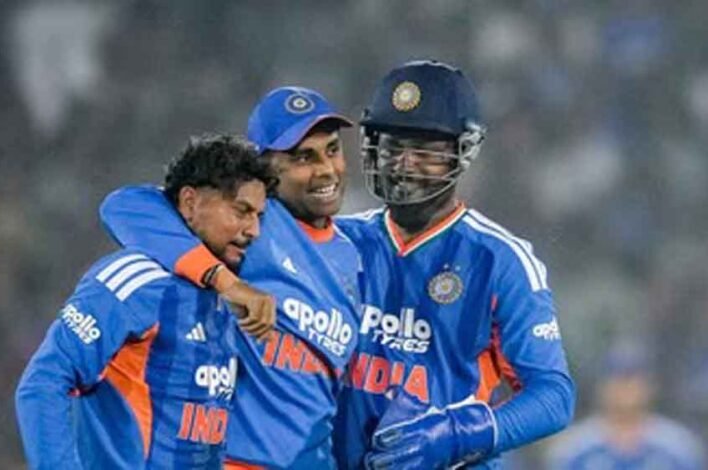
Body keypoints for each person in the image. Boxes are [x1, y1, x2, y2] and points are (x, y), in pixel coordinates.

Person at [100, 60, 576, 469]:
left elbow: (554, 396)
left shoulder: (501, 260)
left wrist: (457, 433)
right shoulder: (335, 241)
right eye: (392, 147)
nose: (405, 164)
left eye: (426, 152)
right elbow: (132, 207)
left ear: (462, 152)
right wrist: (223, 281)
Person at [99, 87, 361, 469]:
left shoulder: (353, 254)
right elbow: (125, 206)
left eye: (332, 150)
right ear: (265, 168)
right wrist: (227, 282)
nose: (325, 169)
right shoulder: (250, 226)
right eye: (303, 157)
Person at [15, 134, 276, 469]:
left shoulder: (227, 298)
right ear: (190, 202)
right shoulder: (137, 279)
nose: (253, 230)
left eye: (258, 216)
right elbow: (44, 383)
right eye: (241, 211)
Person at [548, 344, 705, 470]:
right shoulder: (575, 449)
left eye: (633, 381)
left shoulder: (677, 448)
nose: (626, 390)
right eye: (618, 380)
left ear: (650, 387)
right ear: (602, 387)